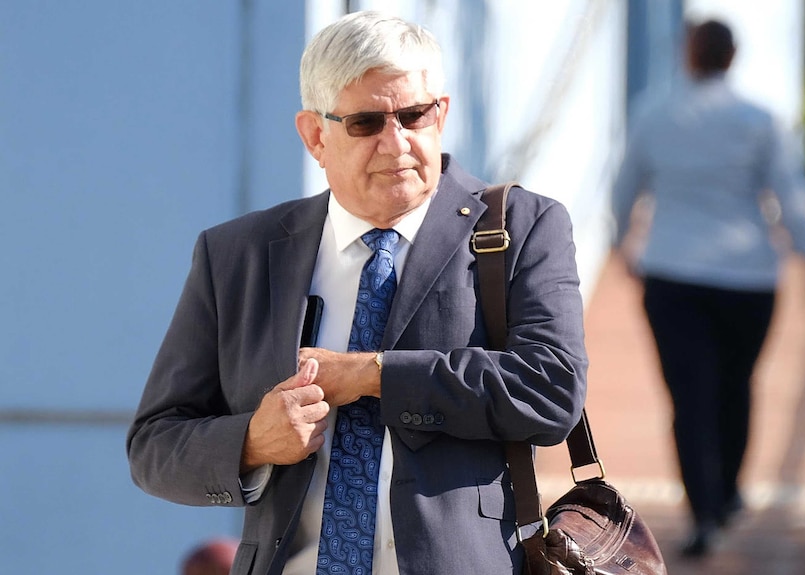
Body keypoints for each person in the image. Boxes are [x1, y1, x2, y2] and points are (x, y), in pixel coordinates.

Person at [127, 10, 588, 575]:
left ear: (440, 114)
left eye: (414, 115)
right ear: (315, 135)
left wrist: (376, 375)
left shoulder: (521, 227)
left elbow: (552, 390)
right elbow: (154, 446)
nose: (396, 144)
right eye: (366, 123)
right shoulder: (237, 254)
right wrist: (252, 442)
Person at [611, 19, 805, 558]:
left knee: (688, 397)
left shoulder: (653, 114)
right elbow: (791, 197)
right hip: (748, 277)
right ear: (732, 57)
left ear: (689, 55)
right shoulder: (760, 121)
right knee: (736, 384)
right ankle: (728, 490)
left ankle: (703, 511)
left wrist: (626, 249)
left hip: (672, 273)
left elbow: (623, 191)